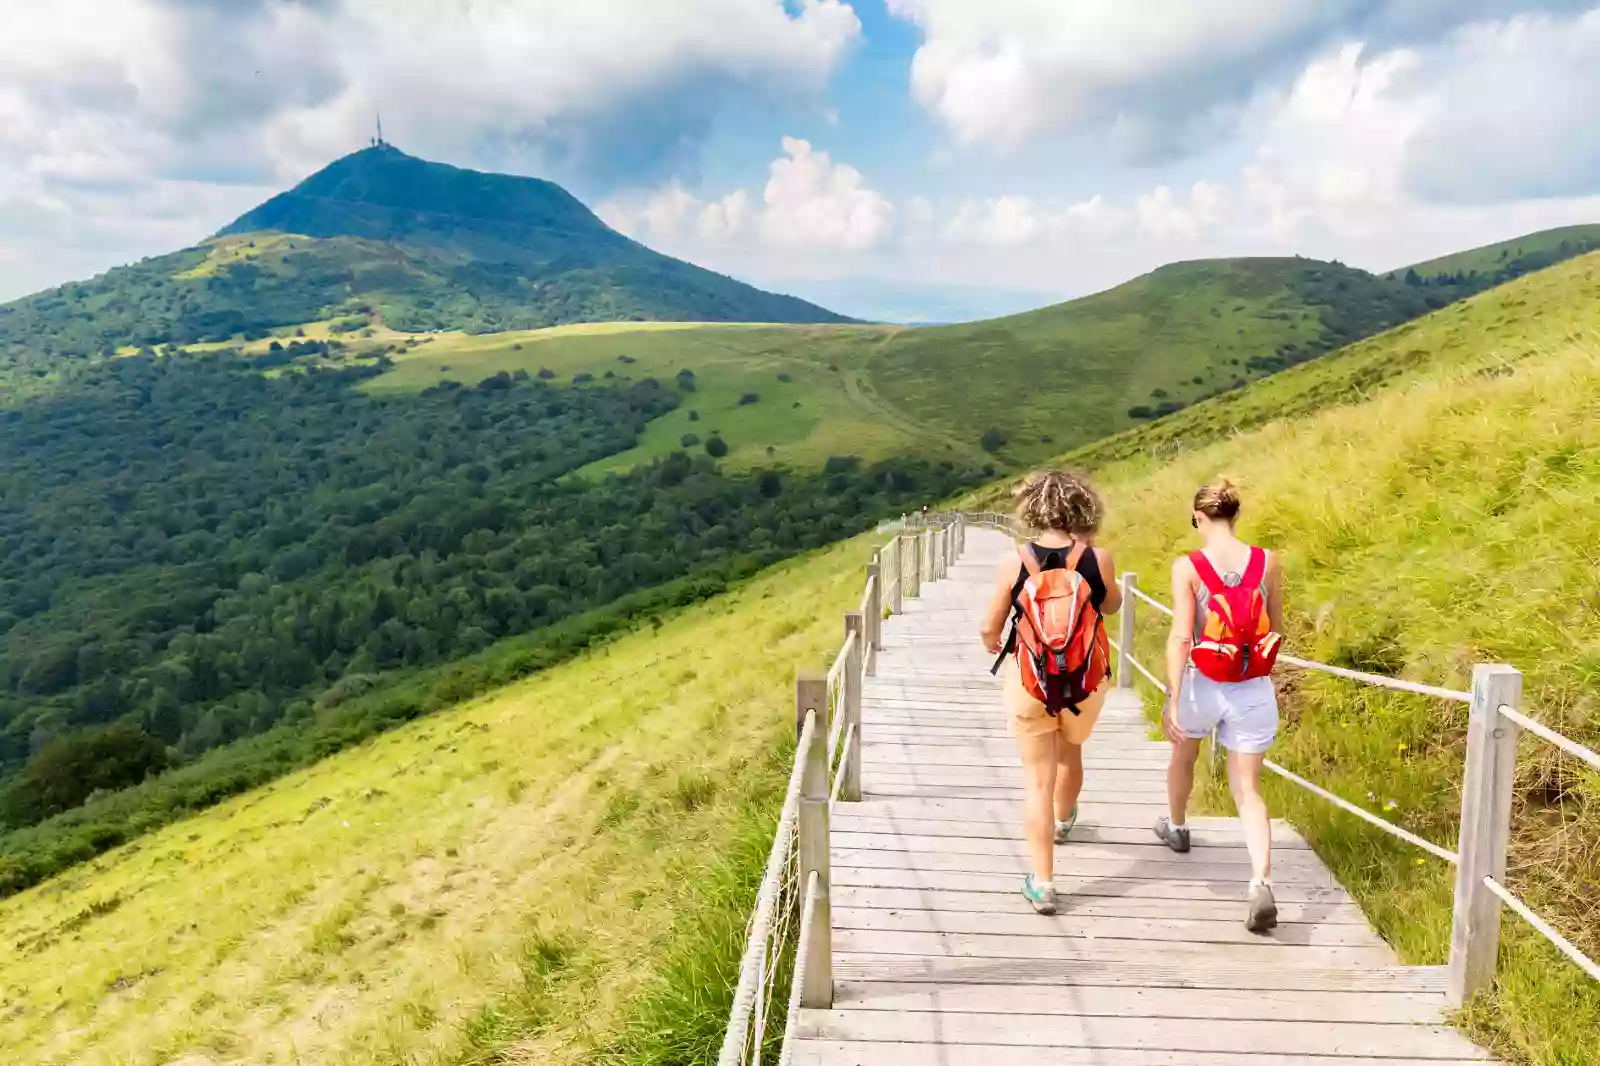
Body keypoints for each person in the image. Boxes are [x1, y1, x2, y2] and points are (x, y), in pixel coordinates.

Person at [980, 470, 1121, 915]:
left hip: (1031, 682)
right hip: (1083, 680)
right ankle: (1064, 821)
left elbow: (989, 627)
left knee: (1037, 782)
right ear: (1083, 508)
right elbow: (1111, 605)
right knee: (1071, 752)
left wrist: (1000, 642)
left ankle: (1043, 883)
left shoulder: (1015, 562)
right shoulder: (1099, 558)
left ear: (1032, 509)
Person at [1155, 476, 1285, 932]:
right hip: (1252, 685)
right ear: (1235, 515)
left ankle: (1177, 825)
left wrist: (1172, 695)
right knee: (1248, 790)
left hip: (1201, 681)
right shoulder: (1268, 562)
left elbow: (1181, 637)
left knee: (1183, 752)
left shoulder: (1188, 566)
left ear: (1199, 518)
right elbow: (1277, 626)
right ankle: (1261, 880)